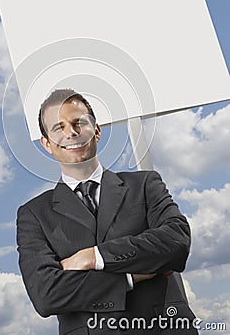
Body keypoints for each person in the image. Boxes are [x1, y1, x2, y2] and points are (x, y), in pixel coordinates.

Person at [17, 88, 198, 334]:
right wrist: (130, 277)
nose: (71, 133)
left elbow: (176, 240)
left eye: (78, 122)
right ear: (47, 144)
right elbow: (46, 294)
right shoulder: (34, 214)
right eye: (59, 128)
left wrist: (93, 257)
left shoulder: (144, 185)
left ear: (97, 130)